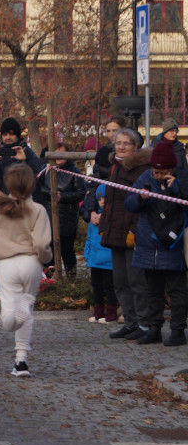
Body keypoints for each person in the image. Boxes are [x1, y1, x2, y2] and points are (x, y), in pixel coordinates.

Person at [0, 164, 52, 378]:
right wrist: (45, 260)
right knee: (27, 313)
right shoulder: (38, 210)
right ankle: (21, 360)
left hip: (6, 264)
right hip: (31, 263)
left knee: (8, 319)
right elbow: (42, 244)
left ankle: (15, 321)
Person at [125, 141, 188, 346]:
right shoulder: (145, 178)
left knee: (177, 290)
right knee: (153, 289)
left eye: (162, 173)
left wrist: (175, 188)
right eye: (156, 172)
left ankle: (178, 330)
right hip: (148, 243)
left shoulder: (182, 178)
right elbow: (130, 203)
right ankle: (154, 328)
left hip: (172, 242)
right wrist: (141, 198)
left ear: (171, 169)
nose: (158, 176)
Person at [98, 128, 152, 341]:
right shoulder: (115, 167)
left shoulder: (141, 169)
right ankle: (130, 322)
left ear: (135, 146)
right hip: (115, 231)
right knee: (119, 280)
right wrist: (104, 223)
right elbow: (109, 201)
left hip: (132, 233)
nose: (121, 146)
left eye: (126, 143)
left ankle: (144, 323)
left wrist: (134, 230)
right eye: (118, 142)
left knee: (136, 281)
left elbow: (142, 203)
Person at [35, 141, 85, 277]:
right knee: (48, 250)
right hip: (47, 215)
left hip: (66, 217)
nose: (58, 157)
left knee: (67, 250)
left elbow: (81, 193)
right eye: (55, 153)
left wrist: (62, 196)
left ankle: (71, 279)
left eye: (62, 153)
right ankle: (49, 279)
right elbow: (37, 186)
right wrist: (50, 193)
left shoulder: (75, 172)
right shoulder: (46, 169)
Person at [0, 116, 45, 193]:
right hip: (4, 201)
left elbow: (40, 177)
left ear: (17, 135)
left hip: (24, 200)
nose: (8, 137)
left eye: (11, 134)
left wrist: (25, 161)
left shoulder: (26, 151)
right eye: (5, 134)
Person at [83, 186, 117, 323]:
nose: (102, 202)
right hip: (95, 259)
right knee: (96, 285)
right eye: (100, 199)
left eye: (105, 199)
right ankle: (98, 311)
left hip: (108, 260)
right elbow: (89, 238)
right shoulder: (93, 218)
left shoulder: (112, 217)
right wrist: (87, 254)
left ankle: (111, 311)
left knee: (109, 286)